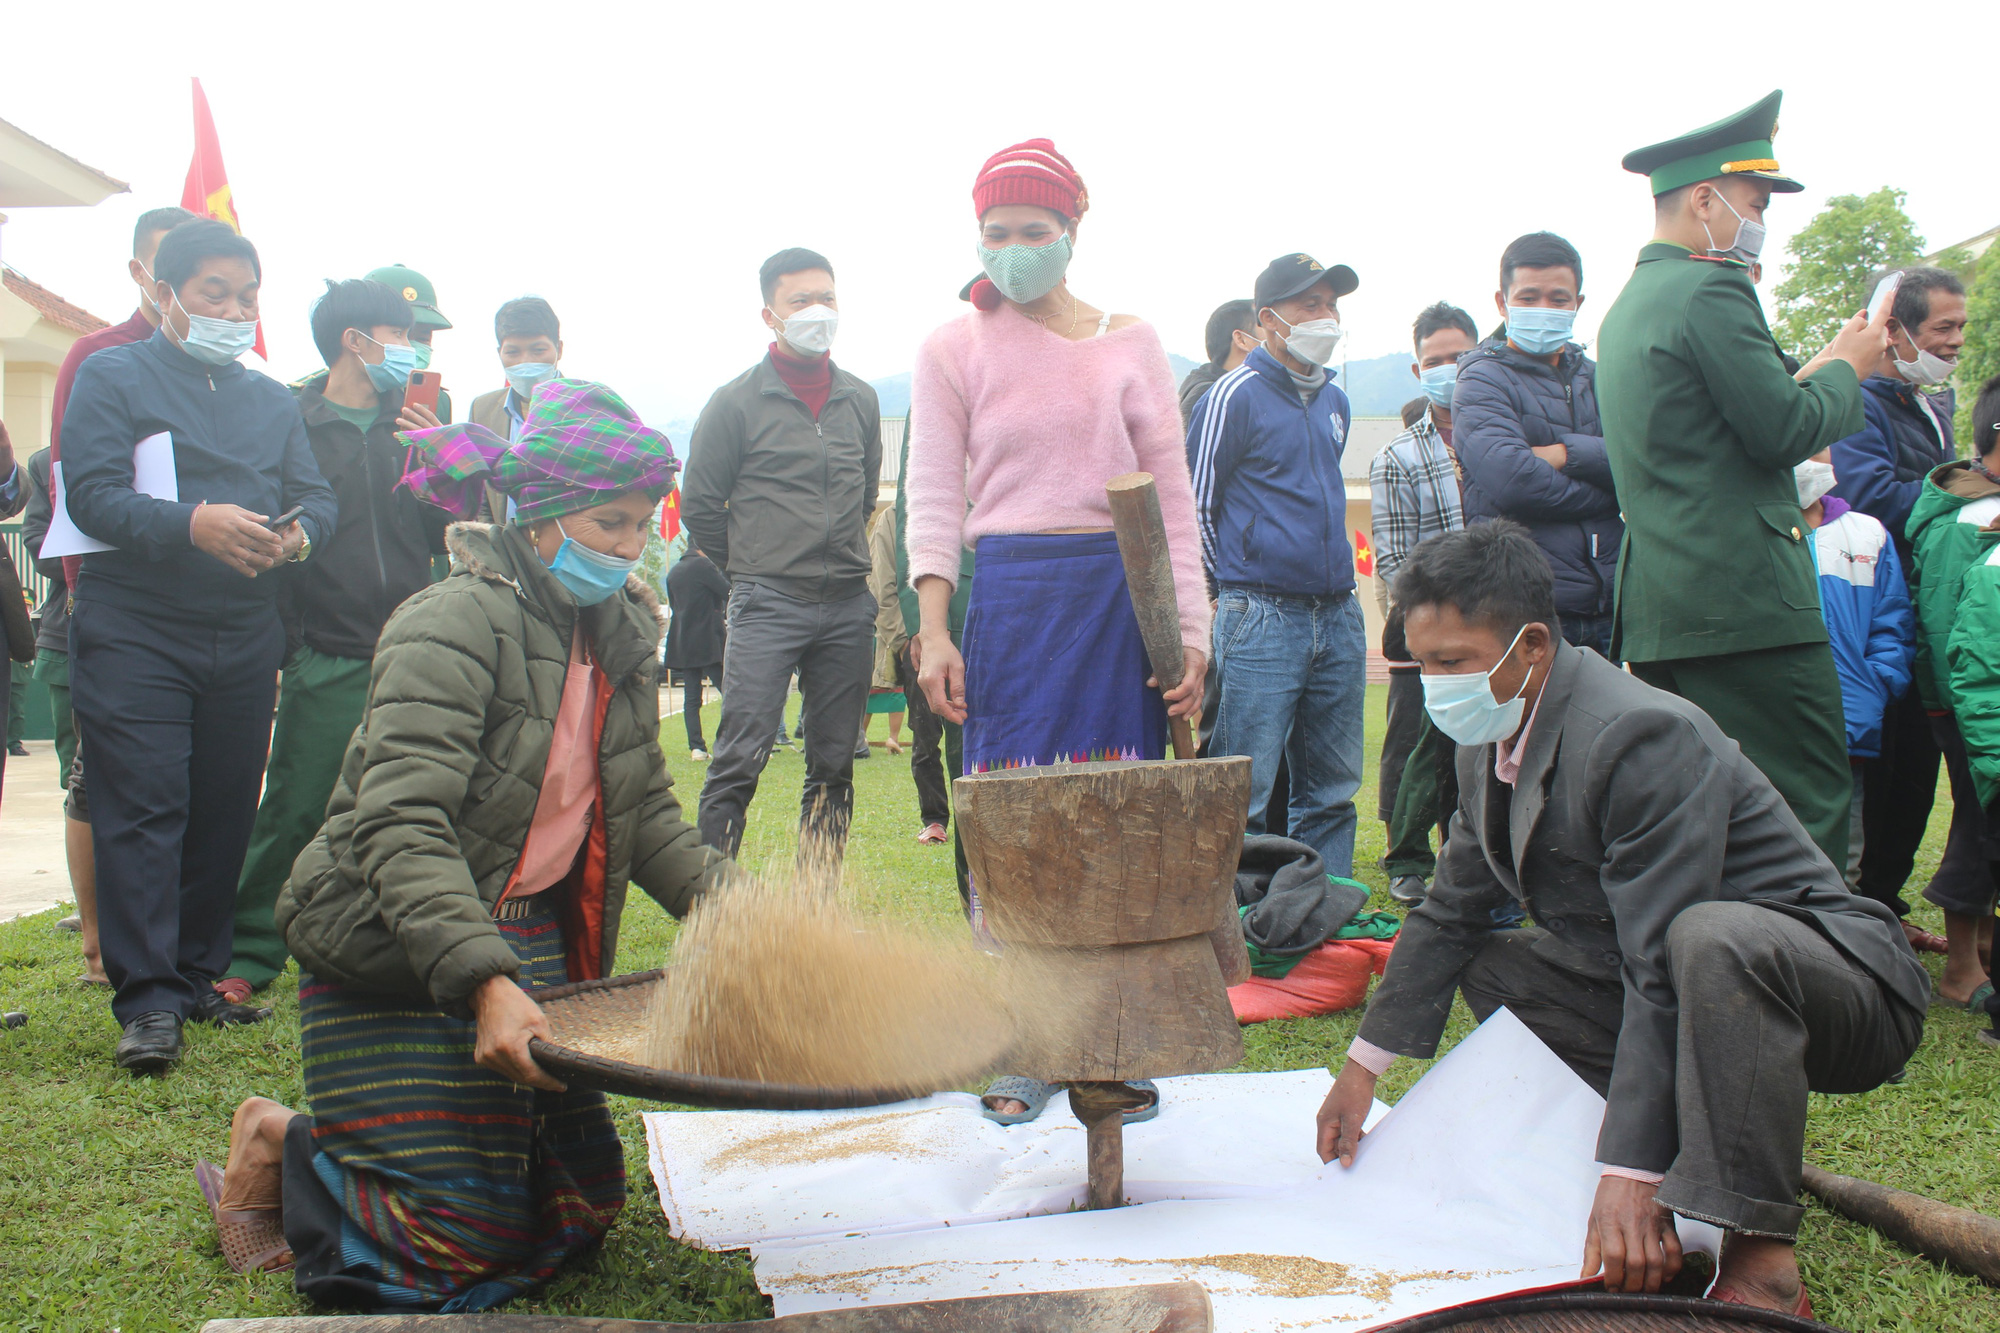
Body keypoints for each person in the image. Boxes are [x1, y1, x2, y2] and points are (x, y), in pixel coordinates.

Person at [1316, 521, 1926, 1317]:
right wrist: (1364, 1066)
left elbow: (1657, 961)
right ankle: (1647, 1158)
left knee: (1708, 937)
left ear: (1531, 645)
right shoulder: (1491, 737)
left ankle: (1761, 1255)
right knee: (1500, 962)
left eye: (1453, 662)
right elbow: (1451, 911)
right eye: (1422, 663)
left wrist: (1631, 1177)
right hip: (1686, 970)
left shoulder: (1640, 734)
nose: (1434, 685)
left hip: (1833, 984)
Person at [204, 380, 724, 1305]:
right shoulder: (450, 619)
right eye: (609, 523)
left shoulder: (622, 634)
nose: (629, 548)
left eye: (642, 525)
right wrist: (486, 982)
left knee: (581, 1209)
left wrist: (746, 916)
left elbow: (644, 814)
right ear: (541, 518)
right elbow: (400, 824)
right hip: (395, 945)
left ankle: (360, 1139)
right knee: (459, 1243)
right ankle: (280, 1139)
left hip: (525, 943)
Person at [907, 139, 1207, 1123]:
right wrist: (934, 627)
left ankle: (1110, 1044)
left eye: (1032, 232)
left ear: (1071, 233)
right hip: (1012, 609)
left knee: (1113, 820)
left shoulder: (1131, 344)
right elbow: (933, 498)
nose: (1012, 249)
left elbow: (1171, 507)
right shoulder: (952, 347)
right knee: (1014, 828)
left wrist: (1188, 638)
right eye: (995, 233)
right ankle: (1028, 1042)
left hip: (1115, 605)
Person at [61, 218, 338, 1072]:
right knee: (145, 803)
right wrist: (193, 523)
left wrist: (293, 540)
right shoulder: (112, 374)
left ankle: (196, 976)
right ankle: (146, 1003)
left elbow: (316, 500)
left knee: (223, 802)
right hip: (135, 624)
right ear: (163, 291)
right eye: (214, 291)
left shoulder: (268, 397)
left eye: (247, 296)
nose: (232, 309)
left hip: (244, 628)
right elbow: (94, 496)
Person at [1596, 90, 1892, 871]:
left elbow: (1718, 429)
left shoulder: (1632, 305)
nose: (1761, 219)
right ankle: (1803, 971)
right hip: (1746, 599)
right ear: (1705, 198)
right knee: (1804, 795)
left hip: (1668, 600)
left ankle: (1709, 965)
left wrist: (1821, 367)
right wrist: (1850, 369)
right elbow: (1783, 429)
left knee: (1703, 801)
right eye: (1756, 201)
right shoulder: (1713, 287)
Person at [218, 278, 453, 1000]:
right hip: (325, 643)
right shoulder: (292, 416)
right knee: (295, 801)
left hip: (414, 646)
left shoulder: (419, 416)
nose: (412, 350)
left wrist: (438, 459)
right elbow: (277, 529)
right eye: (401, 333)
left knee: (422, 800)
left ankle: (412, 942)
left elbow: (447, 534)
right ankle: (252, 951)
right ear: (356, 340)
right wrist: (292, 645)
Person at [35, 203, 195, 980]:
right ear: (141, 272)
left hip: (201, 614)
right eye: (176, 268)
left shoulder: (220, 372)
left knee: (182, 788)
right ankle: (102, 944)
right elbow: (78, 493)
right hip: (112, 607)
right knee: (102, 782)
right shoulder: (99, 358)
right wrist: (87, 607)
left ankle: (181, 945)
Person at [682, 247, 882, 859]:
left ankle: (814, 913)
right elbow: (699, 506)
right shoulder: (735, 402)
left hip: (848, 605)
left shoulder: (861, 400)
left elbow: (866, 493)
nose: (817, 310)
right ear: (770, 315)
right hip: (768, 600)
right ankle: (712, 910)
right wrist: (751, 568)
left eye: (827, 298)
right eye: (801, 301)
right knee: (739, 758)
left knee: (834, 766)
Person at [1187, 252, 1365, 877]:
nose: (1325, 316)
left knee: (1332, 790)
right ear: (1268, 319)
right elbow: (1196, 505)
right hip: (1260, 613)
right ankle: (1233, 929)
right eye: (1307, 305)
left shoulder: (1336, 400)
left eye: (1330, 305)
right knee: (1241, 791)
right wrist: (1223, 591)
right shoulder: (1230, 396)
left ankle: (1323, 916)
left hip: (1338, 611)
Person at [1828, 265, 1966, 944]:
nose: (1956, 341)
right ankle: (1868, 912)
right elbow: (1875, 497)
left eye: (1961, 327)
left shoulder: (1929, 405)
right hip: (1879, 619)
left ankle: (1887, 907)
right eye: (1943, 328)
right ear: (1895, 329)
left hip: (1925, 620)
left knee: (1917, 776)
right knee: (1880, 777)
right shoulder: (1857, 402)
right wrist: (1960, 491)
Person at [1453, 233, 1619, 658]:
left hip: (1610, 605)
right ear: (1501, 301)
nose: (1544, 308)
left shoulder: (1599, 378)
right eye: (1528, 297)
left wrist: (1564, 454)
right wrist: (1606, 486)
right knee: (1535, 725)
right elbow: (1513, 481)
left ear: (1578, 303)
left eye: (1558, 299)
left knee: (1607, 724)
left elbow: (1644, 461)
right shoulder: (1481, 379)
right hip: (1522, 607)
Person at [1370, 303, 1474, 905]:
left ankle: (1474, 855)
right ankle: (1407, 856)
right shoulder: (1398, 458)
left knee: (1488, 748)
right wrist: (1442, 617)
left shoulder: (1506, 440)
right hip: (1430, 626)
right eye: (1436, 361)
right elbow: (1394, 561)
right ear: (1417, 369)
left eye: (1459, 357)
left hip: (1502, 626)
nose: (1448, 370)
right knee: (1417, 744)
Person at [1902, 378, 2000, 1011]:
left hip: (1971, 704)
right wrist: (1958, 711)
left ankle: (1982, 944)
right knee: (1978, 828)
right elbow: (1945, 625)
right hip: (1971, 709)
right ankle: (1962, 964)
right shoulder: (1967, 519)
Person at [1794, 451, 1914, 891]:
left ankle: (1839, 953)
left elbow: (1892, 630)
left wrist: (1872, 690)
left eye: (1820, 447)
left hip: (1846, 730)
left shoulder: (1866, 534)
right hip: (1767, 729)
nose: (1812, 458)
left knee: (1842, 864)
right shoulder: (1738, 527)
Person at [894, 410, 972, 858]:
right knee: (941, 743)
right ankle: (940, 823)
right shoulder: (948, 370)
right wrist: (923, 626)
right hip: (953, 613)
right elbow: (919, 514)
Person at [467, 297, 564, 522]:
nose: (525, 361)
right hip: (503, 549)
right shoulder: (483, 409)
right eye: (513, 353)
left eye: (538, 350)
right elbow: (481, 495)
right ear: (500, 352)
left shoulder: (585, 405)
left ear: (559, 349)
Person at [665, 545, 729, 759]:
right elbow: (727, 591)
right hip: (708, 639)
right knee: (730, 692)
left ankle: (697, 747)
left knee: (691, 698)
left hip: (684, 641)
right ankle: (736, 741)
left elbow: (674, 605)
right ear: (702, 546)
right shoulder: (704, 565)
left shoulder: (674, 571)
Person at [865, 505, 908, 758]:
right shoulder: (890, 517)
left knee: (883, 689)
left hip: (887, 629)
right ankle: (890, 737)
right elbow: (880, 585)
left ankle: (870, 737)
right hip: (890, 629)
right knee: (885, 689)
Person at [1178, 299, 1260, 425]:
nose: (1275, 333)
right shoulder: (1212, 397)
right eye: (1263, 324)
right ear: (1241, 340)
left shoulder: (1234, 392)